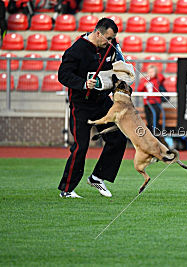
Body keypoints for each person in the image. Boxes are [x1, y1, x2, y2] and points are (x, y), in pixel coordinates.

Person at [57, 18, 127, 198]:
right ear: (98, 33)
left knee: (117, 139)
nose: (111, 43)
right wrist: (82, 83)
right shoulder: (76, 50)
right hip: (81, 105)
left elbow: (115, 72)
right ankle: (67, 189)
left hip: (102, 102)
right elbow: (63, 75)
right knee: (81, 146)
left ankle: (98, 176)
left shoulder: (111, 49)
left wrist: (122, 82)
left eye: (113, 39)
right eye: (108, 38)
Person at [137, 65, 167, 138]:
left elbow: (162, 78)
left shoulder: (157, 79)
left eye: (152, 72)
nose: (151, 73)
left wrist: (154, 76)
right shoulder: (144, 80)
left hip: (156, 103)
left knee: (155, 121)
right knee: (149, 121)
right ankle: (150, 137)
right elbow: (139, 90)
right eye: (149, 72)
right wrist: (145, 83)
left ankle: (156, 137)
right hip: (147, 104)